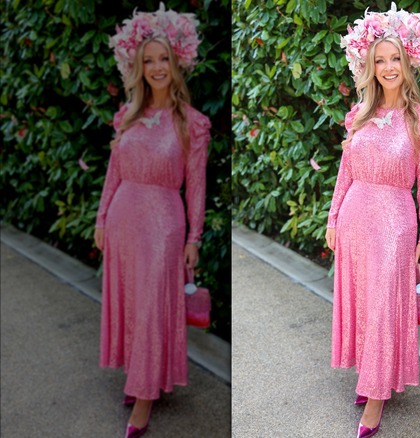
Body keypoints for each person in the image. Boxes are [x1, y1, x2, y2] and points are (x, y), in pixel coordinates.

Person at [325, 3, 420, 437]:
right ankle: (369, 376)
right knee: (362, 303)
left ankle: (375, 400)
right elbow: (346, 170)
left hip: (395, 225)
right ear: (369, 66)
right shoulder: (359, 115)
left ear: (409, 61)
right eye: (380, 60)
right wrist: (333, 216)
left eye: (396, 58)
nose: (389, 67)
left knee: (382, 308)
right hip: (355, 219)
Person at [93, 5, 210, 437]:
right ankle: (141, 378)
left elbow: (196, 186)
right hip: (123, 219)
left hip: (163, 226)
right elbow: (114, 172)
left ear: (176, 62)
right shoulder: (128, 116)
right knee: (129, 301)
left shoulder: (192, 123)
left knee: (151, 307)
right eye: (149, 60)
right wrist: (102, 218)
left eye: (164, 58)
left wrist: (194, 237)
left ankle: (143, 397)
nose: (157, 67)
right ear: (138, 67)